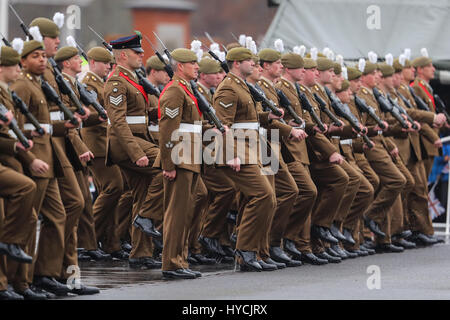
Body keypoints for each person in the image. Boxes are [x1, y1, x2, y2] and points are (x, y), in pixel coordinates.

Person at [213, 47, 277, 272]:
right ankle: (245, 250)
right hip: (239, 150)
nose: (254, 63)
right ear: (237, 63)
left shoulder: (242, 85)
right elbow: (222, 125)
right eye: (250, 60)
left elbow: (246, 119)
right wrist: (230, 154)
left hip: (252, 148)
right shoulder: (229, 88)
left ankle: (254, 251)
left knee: (264, 198)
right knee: (263, 195)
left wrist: (267, 117)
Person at [104, 34, 163, 270]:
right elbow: (118, 122)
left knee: (143, 194)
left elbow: (138, 114)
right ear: (123, 55)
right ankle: (146, 217)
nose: (142, 56)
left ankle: (140, 253)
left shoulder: (132, 79)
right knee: (167, 168)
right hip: (127, 145)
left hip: (139, 140)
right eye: (137, 53)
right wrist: (136, 151)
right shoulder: (116, 82)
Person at [81, 47, 129, 260]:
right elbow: (85, 114)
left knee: (111, 191)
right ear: (92, 62)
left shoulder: (101, 83)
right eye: (105, 62)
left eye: (110, 63)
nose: (109, 66)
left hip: (106, 143)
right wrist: (99, 116)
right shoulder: (88, 84)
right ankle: (87, 238)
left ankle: (110, 243)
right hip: (97, 144)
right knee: (114, 187)